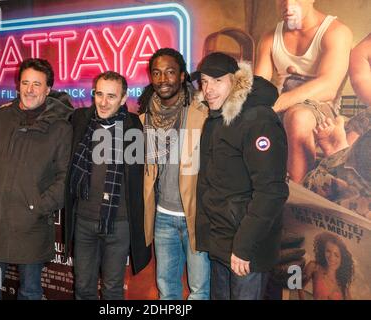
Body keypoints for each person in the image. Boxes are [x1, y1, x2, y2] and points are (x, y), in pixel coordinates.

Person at [0, 58, 73, 300]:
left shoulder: (60, 128)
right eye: (25, 82)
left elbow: (65, 177)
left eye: (37, 84)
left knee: (29, 293)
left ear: (48, 89)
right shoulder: (1, 117)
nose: (29, 89)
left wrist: (38, 207)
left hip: (31, 230)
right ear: (18, 85)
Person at [194, 52, 289, 300]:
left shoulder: (258, 118)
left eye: (217, 81)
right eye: (204, 81)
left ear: (236, 81)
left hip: (246, 250)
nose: (209, 89)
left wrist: (244, 247)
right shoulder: (215, 118)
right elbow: (213, 184)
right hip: (221, 244)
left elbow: (271, 191)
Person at [64, 71, 151, 300]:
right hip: (83, 220)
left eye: (111, 96)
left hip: (119, 224)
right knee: (83, 287)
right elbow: (54, 110)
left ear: (123, 99)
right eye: (99, 94)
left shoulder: (134, 127)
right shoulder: (81, 119)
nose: (103, 102)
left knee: (112, 290)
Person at [138, 48, 210, 300]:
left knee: (199, 290)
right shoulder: (144, 118)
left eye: (170, 72)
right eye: (156, 73)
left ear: (182, 76)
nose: (163, 79)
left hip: (195, 217)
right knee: (167, 289)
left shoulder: (202, 114)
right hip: (162, 217)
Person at [255, 0, 353, 183]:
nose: (288, 4)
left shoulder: (335, 32)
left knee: (298, 117)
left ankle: (297, 197)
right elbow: (257, 86)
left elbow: (328, 86)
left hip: (320, 107)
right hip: (279, 105)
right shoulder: (269, 37)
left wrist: (273, 106)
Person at [299, 232, 354, 300]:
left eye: (336, 255)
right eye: (328, 251)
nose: (332, 258)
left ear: (342, 260)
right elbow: (300, 286)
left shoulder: (343, 286)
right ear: (323, 251)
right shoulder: (314, 267)